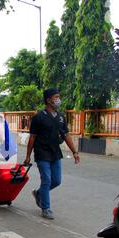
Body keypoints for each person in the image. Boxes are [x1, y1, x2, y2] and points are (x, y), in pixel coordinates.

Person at [24, 88, 80, 220]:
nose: (58, 100)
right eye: (56, 97)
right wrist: (28, 156)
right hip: (41, 152)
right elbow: (32, 137)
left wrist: (75, 152)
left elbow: (66, 135)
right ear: (48, 100)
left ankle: (39, 194)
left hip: (55, 152)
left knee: (56, 180)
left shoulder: (60, 117)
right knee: (47, 180)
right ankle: (46, 208)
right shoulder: (39, 117)